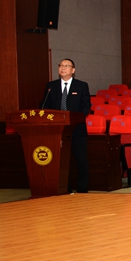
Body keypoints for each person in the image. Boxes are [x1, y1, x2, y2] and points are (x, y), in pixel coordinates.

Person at [43, 58, 91, 193]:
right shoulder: (51, 86)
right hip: (57, 131)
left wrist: (74, 119)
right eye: (61, 65)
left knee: (81, 160)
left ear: (73, 70)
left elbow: (86, 106)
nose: (63, 68)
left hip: (77, 130)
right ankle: (64, 187)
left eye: (66, 66)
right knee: (61, 161)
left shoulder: (81, 86)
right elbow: (44, 106)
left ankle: (82, 188)